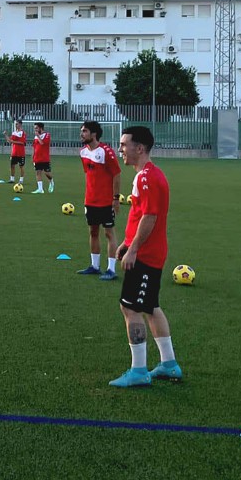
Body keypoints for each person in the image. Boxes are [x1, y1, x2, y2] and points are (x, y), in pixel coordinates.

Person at [109, 126, 182, 388]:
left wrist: (134, 250)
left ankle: (138, 371)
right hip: (148, 250)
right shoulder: (147, 175)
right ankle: (169, 364)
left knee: (130, 308)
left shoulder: (146, 178)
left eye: (124, 144)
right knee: (150, 307)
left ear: (139, 148)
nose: (120, 149)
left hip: (146, 255)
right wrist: (127, 242)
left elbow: (150, 217)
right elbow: (141, 215)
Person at [77, 121, 123, 281]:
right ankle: (95, 266)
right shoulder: (83, 152)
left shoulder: (106, 152)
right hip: (90, 201)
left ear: (94, 134)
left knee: (109, 233)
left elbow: (117, 174)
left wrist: (115, 198)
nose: (81, 134)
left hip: (106, 201)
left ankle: (111, 269)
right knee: (93, 232)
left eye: (85, 131)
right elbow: (89, 175)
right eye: (82, 131)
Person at [31, 122, 54, 194]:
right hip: (37, 158)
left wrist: (38, 136)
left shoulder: (47, 135)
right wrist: (32, 156)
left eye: (36, 128)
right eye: (34, 128)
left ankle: (51, 181)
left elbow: (42, 143)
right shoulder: (35, 137)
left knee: (47, 173)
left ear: (41, 128)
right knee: (38, 172)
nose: (35, 130)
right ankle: (40, 189)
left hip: (44, 158)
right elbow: (34, 147)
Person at [8, 119, 28, 184]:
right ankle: (12, 179)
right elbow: (10, 141)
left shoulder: (23, 133)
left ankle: (21, 180)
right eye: (15, 124)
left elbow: (23, 143)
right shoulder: (14, 133)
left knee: (21, 166)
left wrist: (13, 141)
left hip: (21, 153)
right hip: (14, 153)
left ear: (20, 124)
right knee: (12, 165)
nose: (16, 125)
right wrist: (5, 135)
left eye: (17, 124)